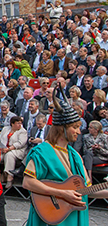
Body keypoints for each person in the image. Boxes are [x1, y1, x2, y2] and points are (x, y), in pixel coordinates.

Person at [23, 89, 108, 226]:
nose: (78, 132)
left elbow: (86, 190)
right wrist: (62, 193)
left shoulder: (75, 155)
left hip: (73, 216)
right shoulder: (42, 152)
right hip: (51, 216)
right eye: (74, 127)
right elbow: (28, 183)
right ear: (62, 128)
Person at [0, 116, 28, 188]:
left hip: (17, 150)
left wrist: (8, 149)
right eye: (18, 123)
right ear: (12, 124)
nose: (19, 125)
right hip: (4, 149)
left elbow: (21, 143)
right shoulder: (5, 129)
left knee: (9, 155)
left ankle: (9, 177)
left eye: (20, 123)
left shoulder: (23, 131)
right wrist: (1, 148)